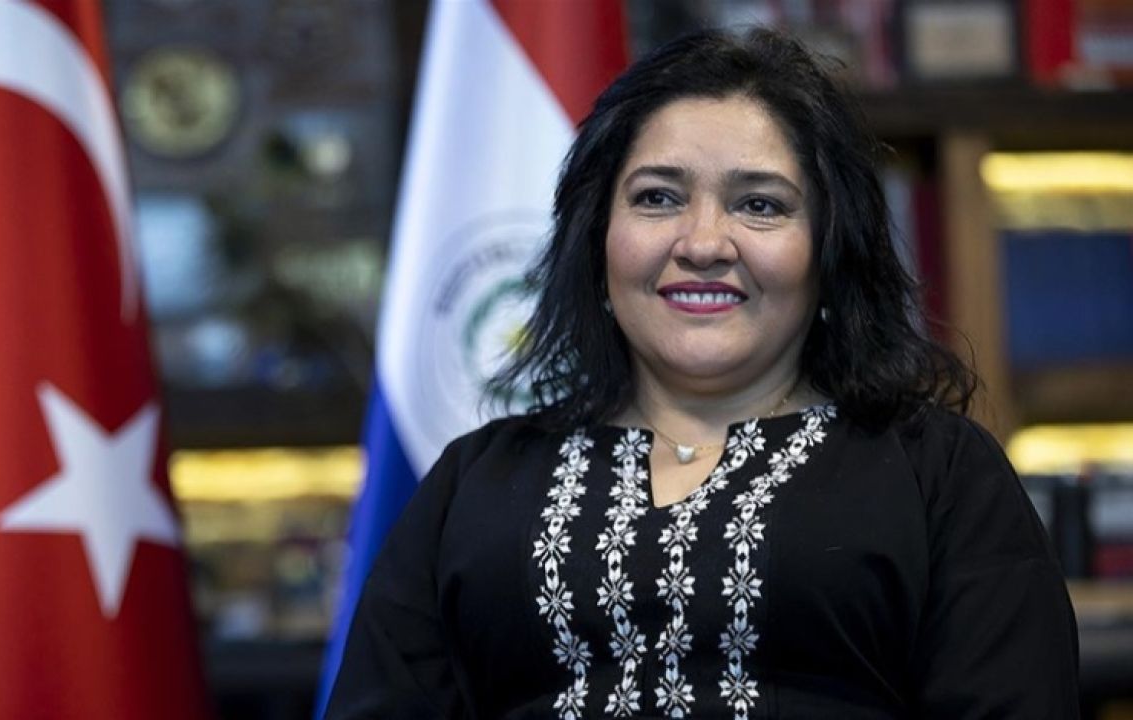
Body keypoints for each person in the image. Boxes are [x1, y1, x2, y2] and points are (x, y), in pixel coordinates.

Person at [325, 27, 1079, 719]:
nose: (703, 243)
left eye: (760, 205)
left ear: (829, 251)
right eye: (658, 198)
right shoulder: (473, 482)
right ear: (598, 238)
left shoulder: (938, 476)